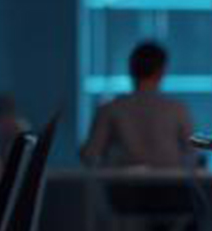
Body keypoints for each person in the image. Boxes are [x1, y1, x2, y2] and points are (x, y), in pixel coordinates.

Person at [80, 41, 198, 169]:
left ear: (131, 69)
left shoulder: (110, 109)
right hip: (169, 185)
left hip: (122, 186)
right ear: (161, 71)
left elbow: (89, 154)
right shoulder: (177, 110)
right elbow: (192, 154)